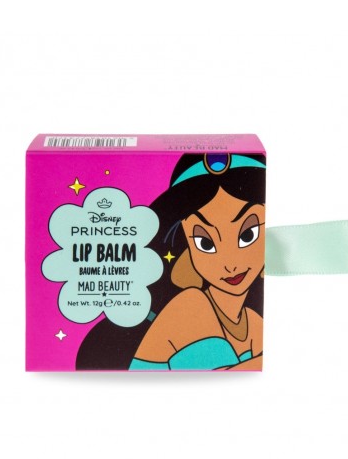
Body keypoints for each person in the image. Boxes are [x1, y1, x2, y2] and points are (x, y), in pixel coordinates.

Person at [76, 152, 266, 371]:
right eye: (205, 243)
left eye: (247, 235)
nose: (229, 264)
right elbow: (217, 377)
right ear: (187, 245)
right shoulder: (192, 304)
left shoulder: (252, 322)